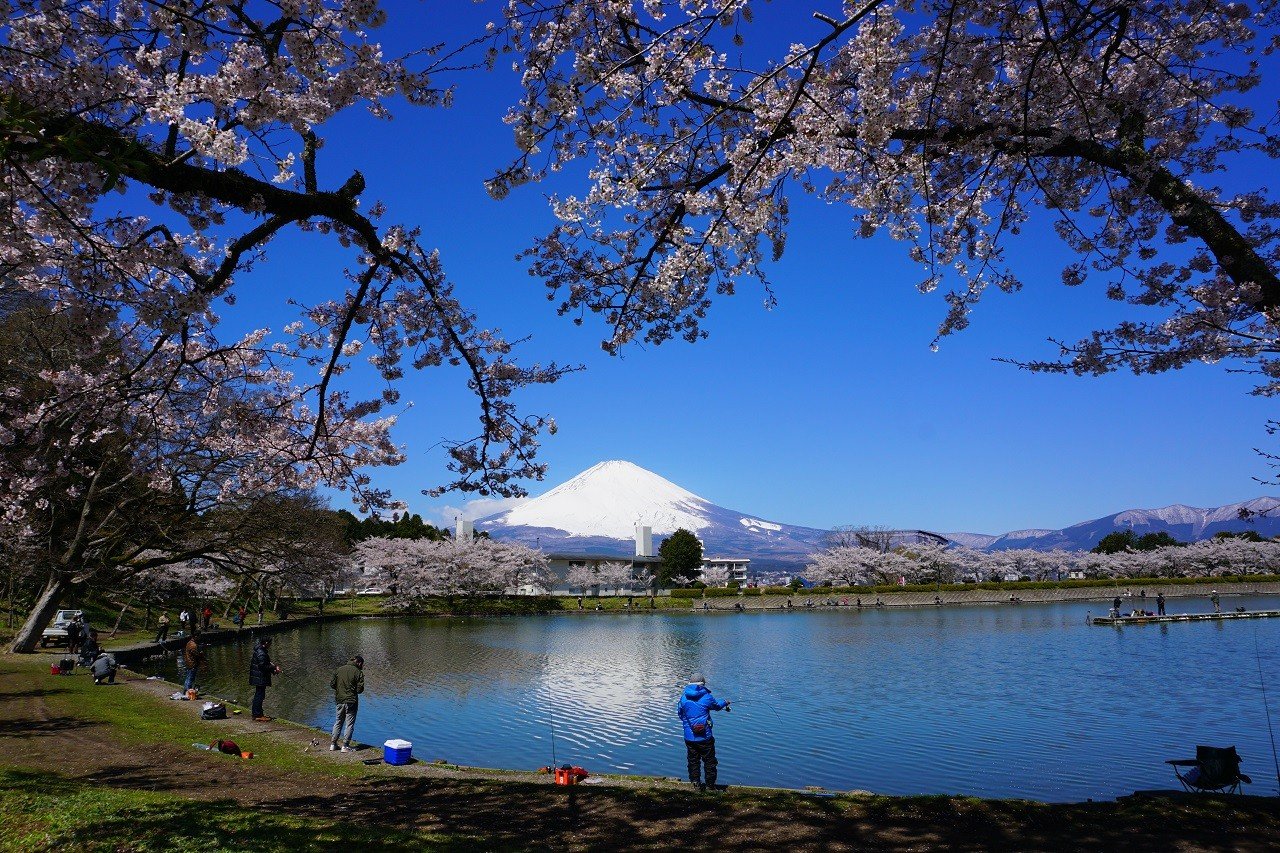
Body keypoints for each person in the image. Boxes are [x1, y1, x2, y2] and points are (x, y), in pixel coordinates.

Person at [677, 673, 730, 792]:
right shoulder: (707, 696)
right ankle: (710, 787)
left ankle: (696, 785)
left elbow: (680, 714)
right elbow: (716, 706)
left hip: (689, 737)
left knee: (693, 761)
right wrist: (725, 702)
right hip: (705, 736)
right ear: (702, 684)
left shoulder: (683, 697)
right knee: (710, 761)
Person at [330, 655, 365, 752]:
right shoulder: (358, 672)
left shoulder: (339, 669)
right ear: (358, 662)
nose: (362, 666)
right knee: (349, 724)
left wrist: (340, 690)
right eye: (362, 664)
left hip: (339, 700)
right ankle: (345, 746)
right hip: (351, 702)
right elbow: (360, 690)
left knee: (338, 721)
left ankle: (333, 744)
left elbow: (332, 684)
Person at [248, 637, 282, 721]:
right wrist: (274, 667)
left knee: (260, 695)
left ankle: (259, 714)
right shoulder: (261, 652)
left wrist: (274, 671)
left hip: (259, 677)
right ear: (266, 643)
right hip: (259, 677)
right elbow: (262, 666)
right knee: (259, 696)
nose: (270, 645)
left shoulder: (260, 650)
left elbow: (265, 664)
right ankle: (257, 715)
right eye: (270, 643)